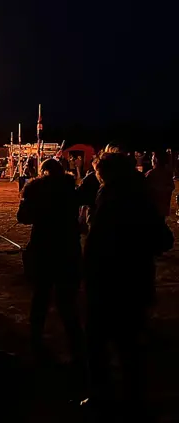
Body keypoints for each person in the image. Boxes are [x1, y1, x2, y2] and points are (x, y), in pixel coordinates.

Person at [83, 152, 172, 416]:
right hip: (134, 280)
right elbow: (162, 239)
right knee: (130, 344)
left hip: (112, 281)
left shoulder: (113, 198)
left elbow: (102, 242)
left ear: (106, 173)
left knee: (100, 343)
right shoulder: (138, 197)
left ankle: (105, 397)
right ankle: (133, 398)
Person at [17, 159, 85, 383]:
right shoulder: (70, 189)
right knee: (67, 300)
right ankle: (76, 347)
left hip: (45, 247)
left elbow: (23, 217)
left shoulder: (36, 189)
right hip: (68, 247)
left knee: (41, 295)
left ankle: (36, 339)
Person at [145, 150, 174, 219]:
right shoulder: (167, 173)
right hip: (163, 206)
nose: (151, 159)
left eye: (152, 157)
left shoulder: (151, 174)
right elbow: (171, 186)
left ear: (155, 160)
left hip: (154, 206)